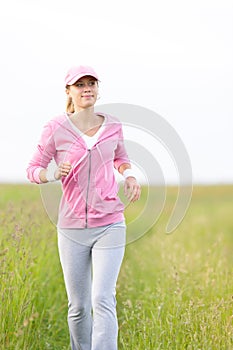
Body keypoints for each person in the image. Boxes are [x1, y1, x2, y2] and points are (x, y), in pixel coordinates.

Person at [26, 65, 141, 350]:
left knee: (102, 297)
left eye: (91, 83)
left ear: (97, 89)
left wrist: (128, 174)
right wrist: (52, 174)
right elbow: (32, 169)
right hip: (72, 228)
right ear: (69, 92)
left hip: (110, 223)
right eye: (79, 85)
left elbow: (121, 157)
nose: (87, 88)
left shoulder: (113, 124)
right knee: (78, 306)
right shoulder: (55, 128)